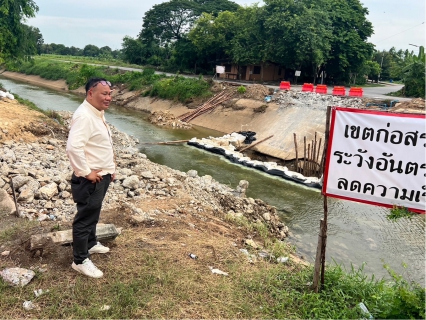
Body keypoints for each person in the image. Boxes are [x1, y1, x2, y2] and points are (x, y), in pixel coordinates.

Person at [66, 78, 116, 278]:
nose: (108, 98)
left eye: (110, 94)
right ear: (90, 94)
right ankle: (79, 260)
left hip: (101, 175)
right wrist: (87, 172)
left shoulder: (97, 113)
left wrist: (110, 166)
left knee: (93, 213)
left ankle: (91, 243)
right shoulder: (85, 116)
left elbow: (99, 144)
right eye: (104, 94)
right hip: (90, 179)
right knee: (85, 218)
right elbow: (73, 147)